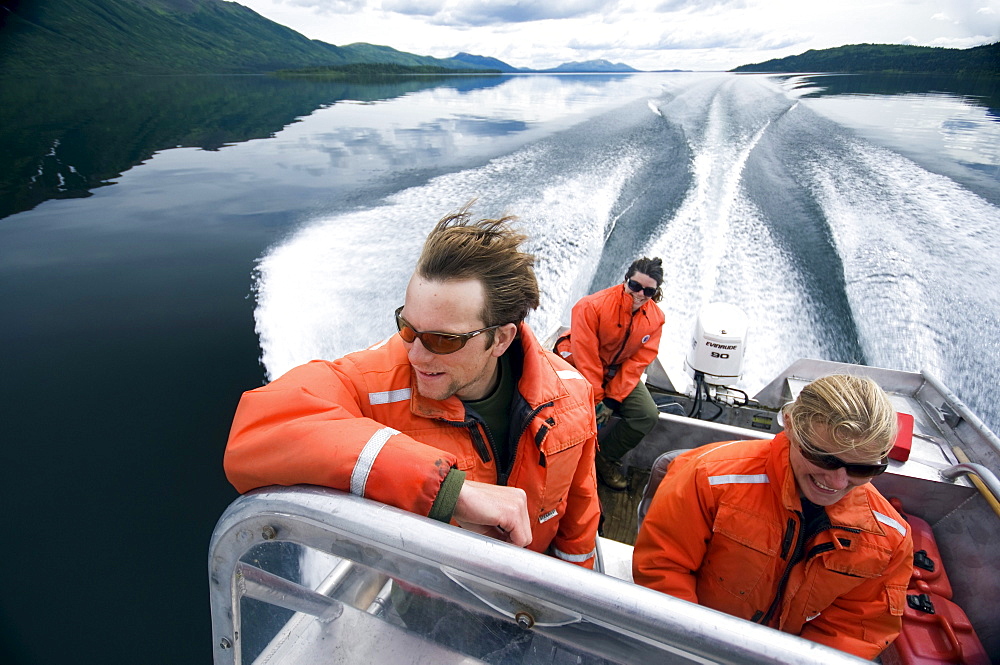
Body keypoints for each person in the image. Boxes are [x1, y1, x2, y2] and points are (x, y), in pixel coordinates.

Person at [225, 203, 600, 570]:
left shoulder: (573, 396)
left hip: (532, 601)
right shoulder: (375, 382)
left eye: (443, 340)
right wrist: (450, 491)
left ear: (500, 340)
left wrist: (571, 608)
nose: (417, 355)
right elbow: (255, 433)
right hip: (427, 605)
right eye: (407, 328)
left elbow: (578, 523)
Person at [632, 374, 914, 660]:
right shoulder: (708, 477)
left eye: (862, 469)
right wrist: (692, 651)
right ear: (791, 426)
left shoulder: (890, 540)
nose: (839, 482)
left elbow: (856, 628)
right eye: (824, 459)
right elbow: (664, 569)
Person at [554, 257, 665, 490]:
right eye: (635, 286)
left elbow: (637, 362)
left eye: (648, 290)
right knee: (571, 410)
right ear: (625, 280)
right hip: (578, 364)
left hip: (617, 372)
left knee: (646, 415)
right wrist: (597, 398)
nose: (640, 294)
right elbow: (586, 356)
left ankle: (603, 458)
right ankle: (561, 462)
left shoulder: (655, 319)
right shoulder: (591, 306)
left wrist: (613, 399)